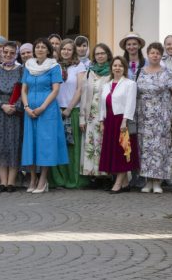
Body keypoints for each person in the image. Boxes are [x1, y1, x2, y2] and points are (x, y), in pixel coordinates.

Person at [20, 38, 68, 194]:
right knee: (31, 143)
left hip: (47, 111)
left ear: (48, 50)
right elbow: (23, 90)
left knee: (45, 144)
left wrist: (42, 107)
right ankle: (33, 178)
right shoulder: (28, 66)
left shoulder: (54, 67)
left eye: (43, 47)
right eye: (37, 47)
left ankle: (43, 179)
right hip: (30, 111)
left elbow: (55, 90)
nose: (40, 49)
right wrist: (26, 107)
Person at [136, 42, 172, 194]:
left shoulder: (168, 73)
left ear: (161, 55)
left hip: (162, 116)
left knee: (160, 148)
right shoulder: (140, 72)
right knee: (146, 148)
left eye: (157, 53)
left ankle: (158, 182)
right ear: (147, 55)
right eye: (152, 53)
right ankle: (148, 181)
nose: (154, 55)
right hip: (144, 116)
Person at [49, 39, 86, 189]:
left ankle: (74, 179)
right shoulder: (53, 65)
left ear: (74, 52)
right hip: (55, 110)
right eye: (63, 49)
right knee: (58, 145)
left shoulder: (79, 66)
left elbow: (80, 89)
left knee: (72, 146)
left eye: (69, 49)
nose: (65, 51)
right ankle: (59, 179)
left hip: (72, 109)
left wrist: (69, 108)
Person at [98, 57, 139, 193]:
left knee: (122, 151)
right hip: (109, 120)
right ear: (111, 68)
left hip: (121, 120)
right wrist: (101, 121)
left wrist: (124, 121)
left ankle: (118, 183)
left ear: (124, 68)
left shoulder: (130, 84)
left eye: (120, 66)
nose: (117, 68)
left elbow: (130, 104)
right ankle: (125, 183)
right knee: (113, 151)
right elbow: (102, 105)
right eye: (115, 65)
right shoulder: (106, 85)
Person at [0, 41, 23, 192]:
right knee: (0, 145)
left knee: (13, 144)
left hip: (14, 111)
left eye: (11, 52)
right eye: (5, 52)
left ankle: (11, 182)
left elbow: (24, 90)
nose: (8, 55)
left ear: (16, 54)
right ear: (1, 53)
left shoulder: (21, 70)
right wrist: (2, 105)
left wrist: (15, 106)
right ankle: (2, 182)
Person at [79, 43, 113, 181]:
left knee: (104, 145)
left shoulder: (112, 71)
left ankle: (106, 176)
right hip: (90, 115)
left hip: (105, 115)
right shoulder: (89, 72)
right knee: (92, 145)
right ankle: (94, 177)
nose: (100, 56)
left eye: (102, 53)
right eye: (97, 54)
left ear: (108, 55)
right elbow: (83, 95)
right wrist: (82, 118)